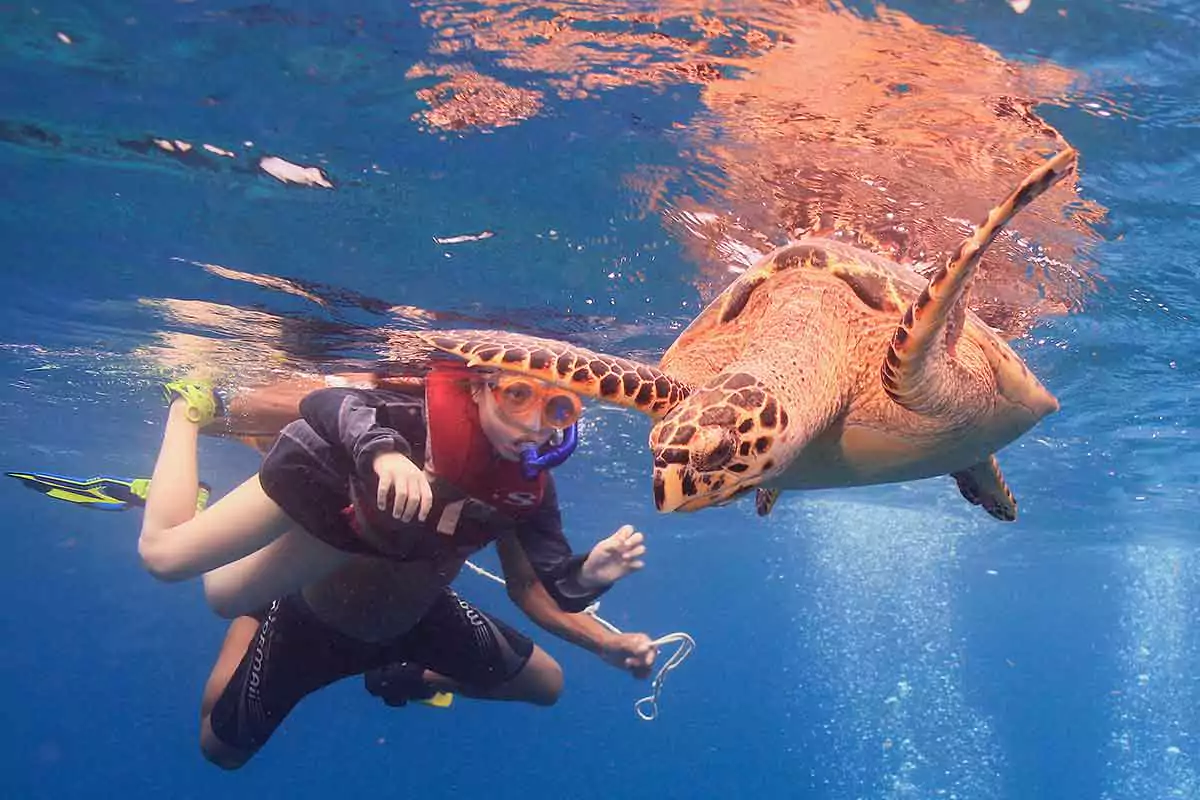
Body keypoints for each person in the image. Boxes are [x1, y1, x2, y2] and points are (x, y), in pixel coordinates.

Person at [137, 364, 657, 768]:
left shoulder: (522, 489)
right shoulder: (403, 419)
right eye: (516, 396)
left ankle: (407, 677)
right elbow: (311, 407)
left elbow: (531, 587)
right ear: (478, 388)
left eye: (557, 408)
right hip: (314, 620)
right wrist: (374, 451)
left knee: (545, 685)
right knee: (219, 748)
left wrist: (606, 635)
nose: (532, 425)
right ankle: (256, 602)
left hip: (420, 618)